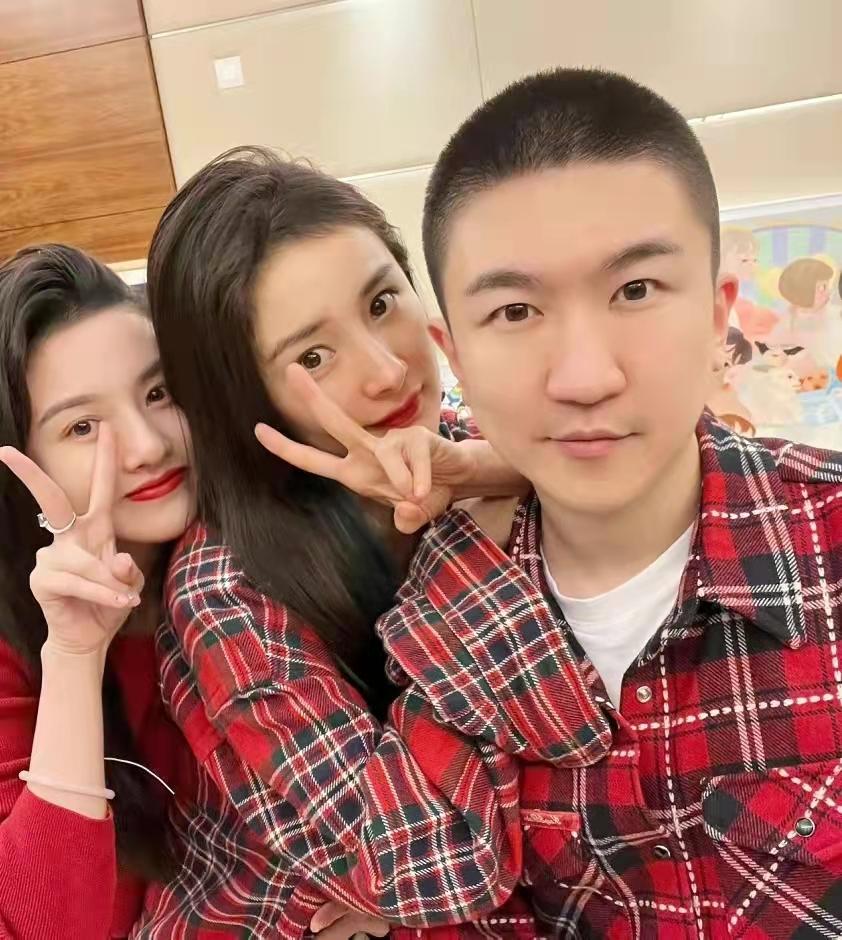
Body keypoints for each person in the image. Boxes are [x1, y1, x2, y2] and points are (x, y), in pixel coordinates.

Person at [377, 66, 842, 936]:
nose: (585, 376)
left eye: (635, 291)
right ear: (455, 355)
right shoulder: (439, 635)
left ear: (717, 313)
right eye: (515, 311)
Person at [133, 148, 601, 938]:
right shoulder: (224, 589)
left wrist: (491, 469)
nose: (386, 371)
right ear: (246, 396)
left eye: (382, 302)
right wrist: (463, 533)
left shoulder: (465, 440)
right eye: (313, 356)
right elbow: (443, 862)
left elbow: (685, 464)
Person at [0, 245, 196, 939]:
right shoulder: (11, 645)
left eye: (157, 393)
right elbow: (42, 926)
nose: (146, 446)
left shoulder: (244, 568)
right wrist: (75, 657)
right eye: (82, 427)